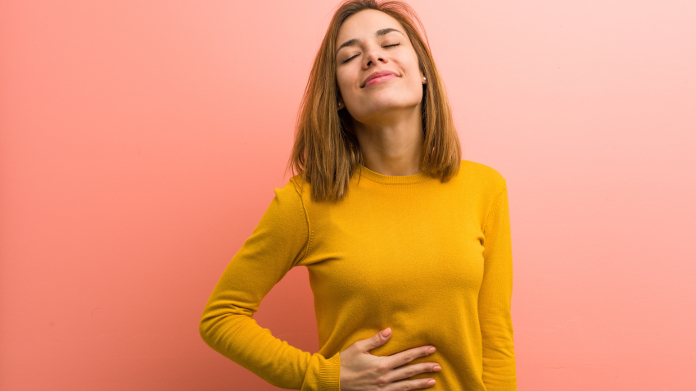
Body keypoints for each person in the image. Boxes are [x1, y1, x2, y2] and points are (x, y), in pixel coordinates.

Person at [199, 0, 517, 390]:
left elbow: (496, 340)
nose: (373, 56)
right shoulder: (306, 201)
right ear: (337, 95)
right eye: (350, 55)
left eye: (391, 43)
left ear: (423, 74)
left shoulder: (484, 188)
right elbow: (220, 316)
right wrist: (322, 376)